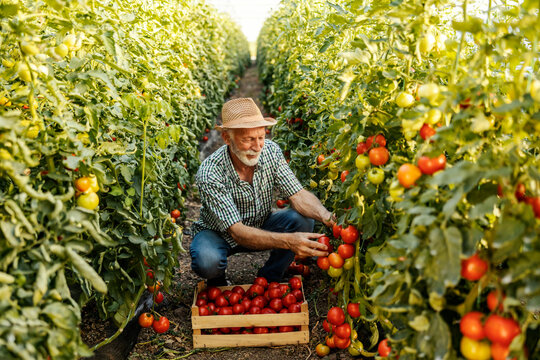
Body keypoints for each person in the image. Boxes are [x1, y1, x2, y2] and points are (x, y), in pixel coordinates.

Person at [190, 97, 334, 286]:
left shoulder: (271, 152)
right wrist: (289, 241)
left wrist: (327, 217)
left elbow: (298, 195)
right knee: (207, 260)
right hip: (218, 233)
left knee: (302, 219)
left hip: (261, 223)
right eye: (248, 139)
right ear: (227, 138)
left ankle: (270, 278)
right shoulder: (210, 172)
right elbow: (238, 232)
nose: (257, 146)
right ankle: (217, 281)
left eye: (261, 137)